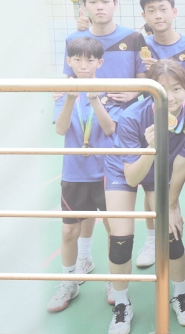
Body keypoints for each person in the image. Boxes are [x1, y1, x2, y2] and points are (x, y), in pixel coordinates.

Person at [67, 0, 150, 268]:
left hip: (124, 132)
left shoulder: (134, 38)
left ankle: (148, 246)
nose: (99, 7)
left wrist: (134, 92)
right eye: (93, 2)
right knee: (86, 200)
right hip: (89, 130)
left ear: (116, 4)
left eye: (105, 1)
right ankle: (84, 258)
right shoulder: (74, 39)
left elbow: (145, 79)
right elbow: (69, 79)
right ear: (84, 6)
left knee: (125, 204)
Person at [103, 59, 185, 334]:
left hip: (162, 169)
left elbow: (181, 165)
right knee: (121, 239)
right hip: (127, 168)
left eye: (177, 88)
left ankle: (180, 294)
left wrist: (171, 205)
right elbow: (131, 177)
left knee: (172, 233)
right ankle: (122, 304)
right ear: (151, 92)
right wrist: (150, 147)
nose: (170, 97)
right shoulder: (132, 117)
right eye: (163, 89)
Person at [47, 37, 121, 312]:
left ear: (100, 62)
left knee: (114, 229)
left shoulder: (111, 91)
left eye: (90, 60)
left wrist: (95, 99)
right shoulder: (62, 93)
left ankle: (114, 280)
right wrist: (70, 98)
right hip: (75, 174)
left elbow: (110, 128)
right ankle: (69, 283)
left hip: (106, 173)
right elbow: (60, 129)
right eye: (77, 59)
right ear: (69, 61)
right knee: (69, 230)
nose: (83, 65)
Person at [138, 0, 185, 69]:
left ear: (174, 12)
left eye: (163, 9)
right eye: (151, 11)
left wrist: (161, 69)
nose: (158, 16)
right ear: (144, 16)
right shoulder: (142, 46)